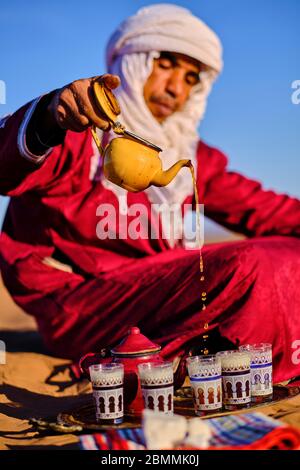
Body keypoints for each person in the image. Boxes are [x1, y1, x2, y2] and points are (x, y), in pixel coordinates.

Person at [0, 4, 299, 383]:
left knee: (291, 252)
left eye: (191, 77)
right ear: (133, 61)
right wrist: (47, 117)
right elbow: (5, 166)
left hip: (162, 295)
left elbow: (263, 209)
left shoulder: (188, 156)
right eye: (166, 64)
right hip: (80, 306)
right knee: (253, 266)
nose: (176, 87)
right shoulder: (78, 132)